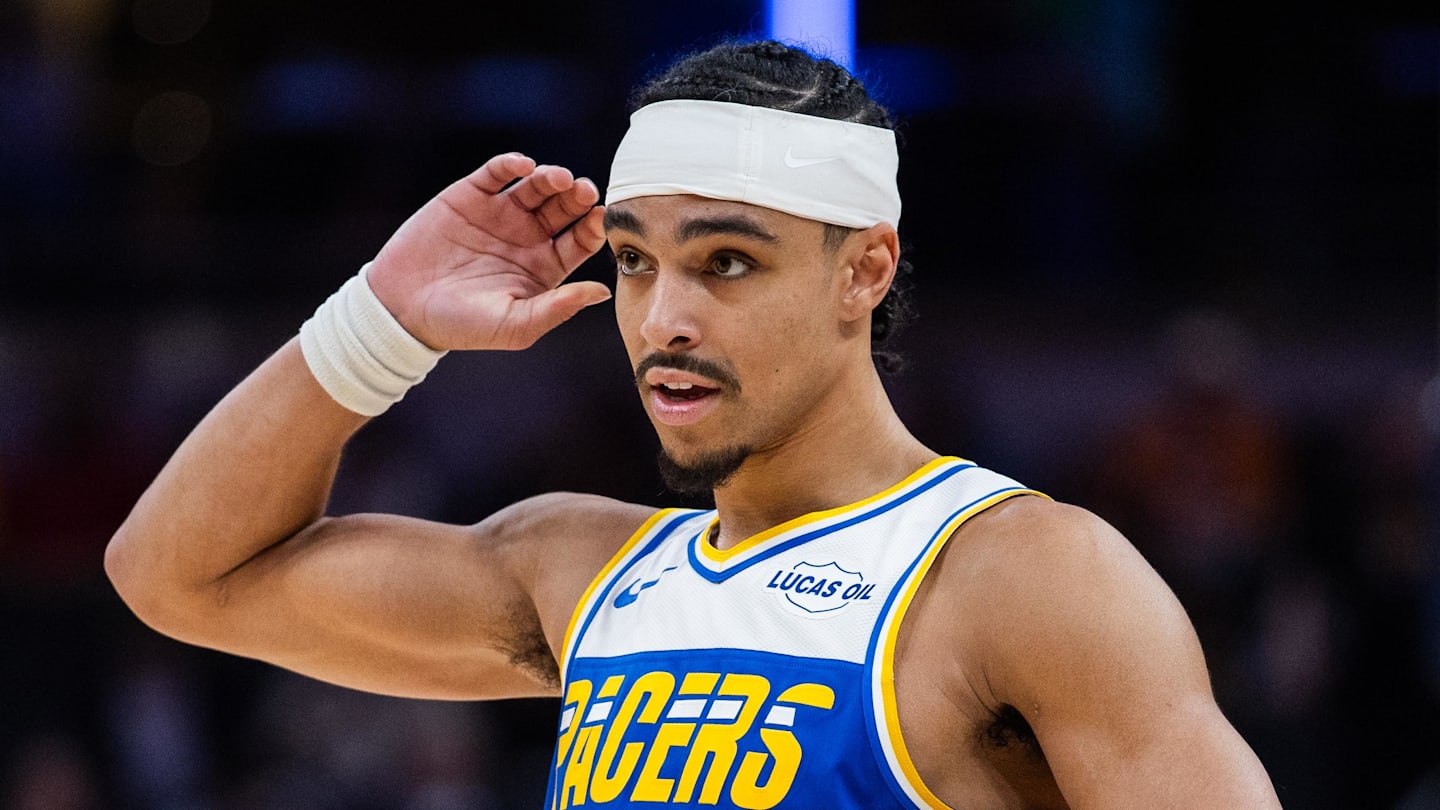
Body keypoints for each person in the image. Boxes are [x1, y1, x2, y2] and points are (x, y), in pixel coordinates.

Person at [105, 40, 1282, 809]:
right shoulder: (576, 571)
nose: (663, 318)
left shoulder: (1029, 576)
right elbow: (178, 577)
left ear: (863, 270)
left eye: (727, 261)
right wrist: (378, 321)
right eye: (632, 262)